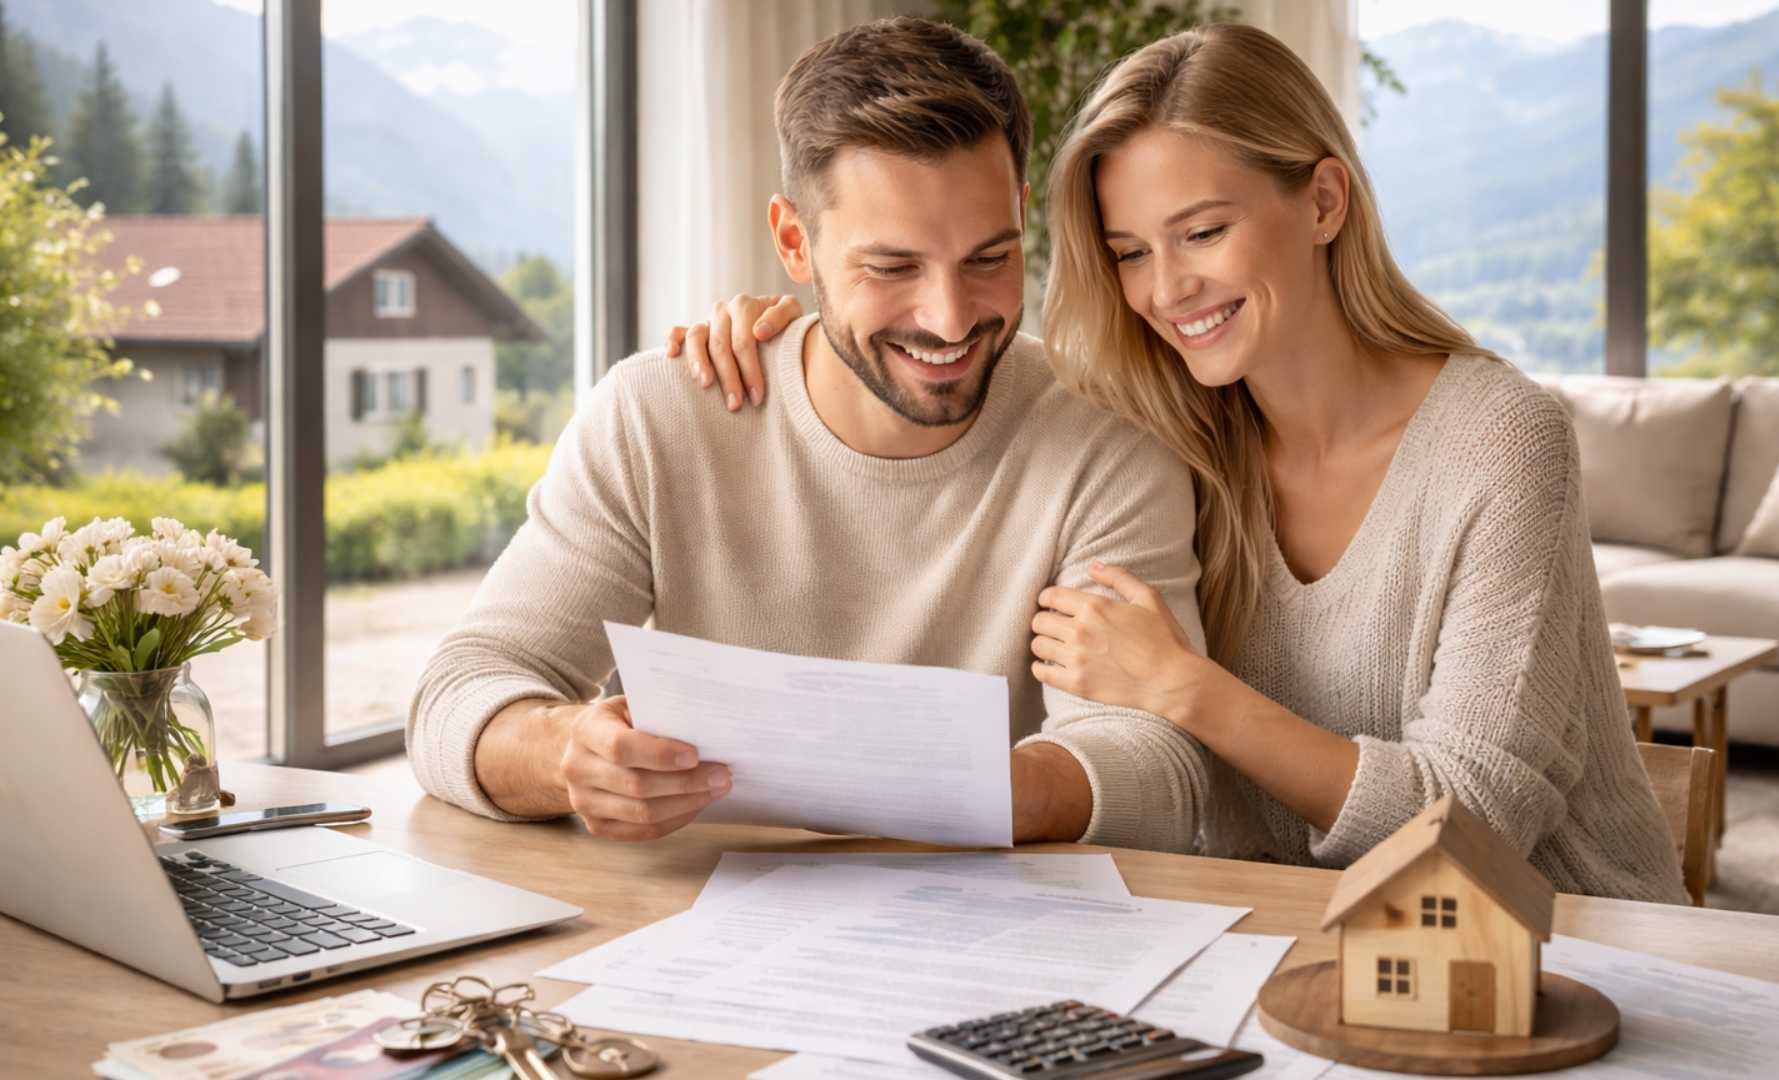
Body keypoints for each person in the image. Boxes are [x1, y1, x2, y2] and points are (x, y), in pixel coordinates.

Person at [671, 24, 1686, 901]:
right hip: (1279, 952)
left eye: (1202, 231)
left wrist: (1185, 688)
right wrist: (785, 330)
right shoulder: (1169, 428)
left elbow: (1479, 824)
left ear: (1324, 200)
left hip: (1560, 960)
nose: (1167, 289)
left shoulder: (1502, 442)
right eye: (1129, 252)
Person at [408, 17, 1217, 851]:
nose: (949, 319)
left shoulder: (1105, 439)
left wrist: (918, 783)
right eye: (892, 267)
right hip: (696, 931)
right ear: (795, 240)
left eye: (987, 258)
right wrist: (565, 754)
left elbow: (1159, 771)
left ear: (1020, 217)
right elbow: (458, 694)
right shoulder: (658, 417)